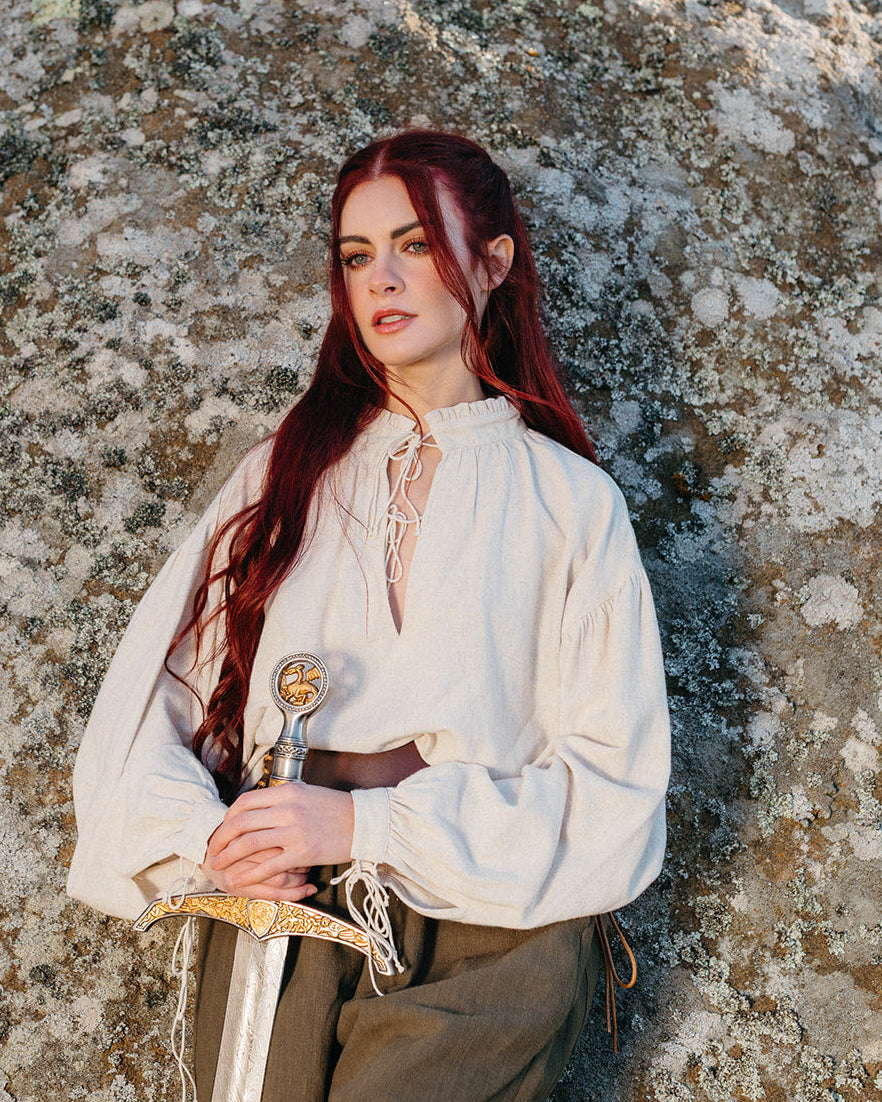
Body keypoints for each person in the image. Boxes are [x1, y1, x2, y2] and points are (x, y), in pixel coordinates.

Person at [68, 129, 670, 1102]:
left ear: (493, 263)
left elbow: (615, 784)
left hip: (490, 929)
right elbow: (151, 701)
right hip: (283, 915)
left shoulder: (570, 502)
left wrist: (361, 820)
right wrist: (210, 840)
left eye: (415, 244)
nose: (380, 278)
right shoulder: (284, 474)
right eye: (356, 256)